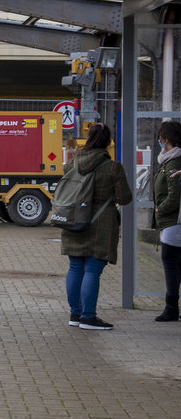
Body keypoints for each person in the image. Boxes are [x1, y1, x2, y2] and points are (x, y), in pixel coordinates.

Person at [61, 123, 132, 331]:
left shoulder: (72, 164)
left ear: (89, 139)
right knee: (92, 270)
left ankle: (75, 314)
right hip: (101, 224)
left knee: (75, 267)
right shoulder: (112, 168)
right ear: (108, 142)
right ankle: (88, 317)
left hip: (74, 220)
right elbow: (124, 198)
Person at [150, 120, 181, 321]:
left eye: (160, 137)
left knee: (170, 264)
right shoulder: (168, 160)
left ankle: (171, 308)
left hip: (173, 222)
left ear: (166, 139)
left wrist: (161, 210)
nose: (159, 140)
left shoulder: (174, 162)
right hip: (172, 222)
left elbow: (174, 195)